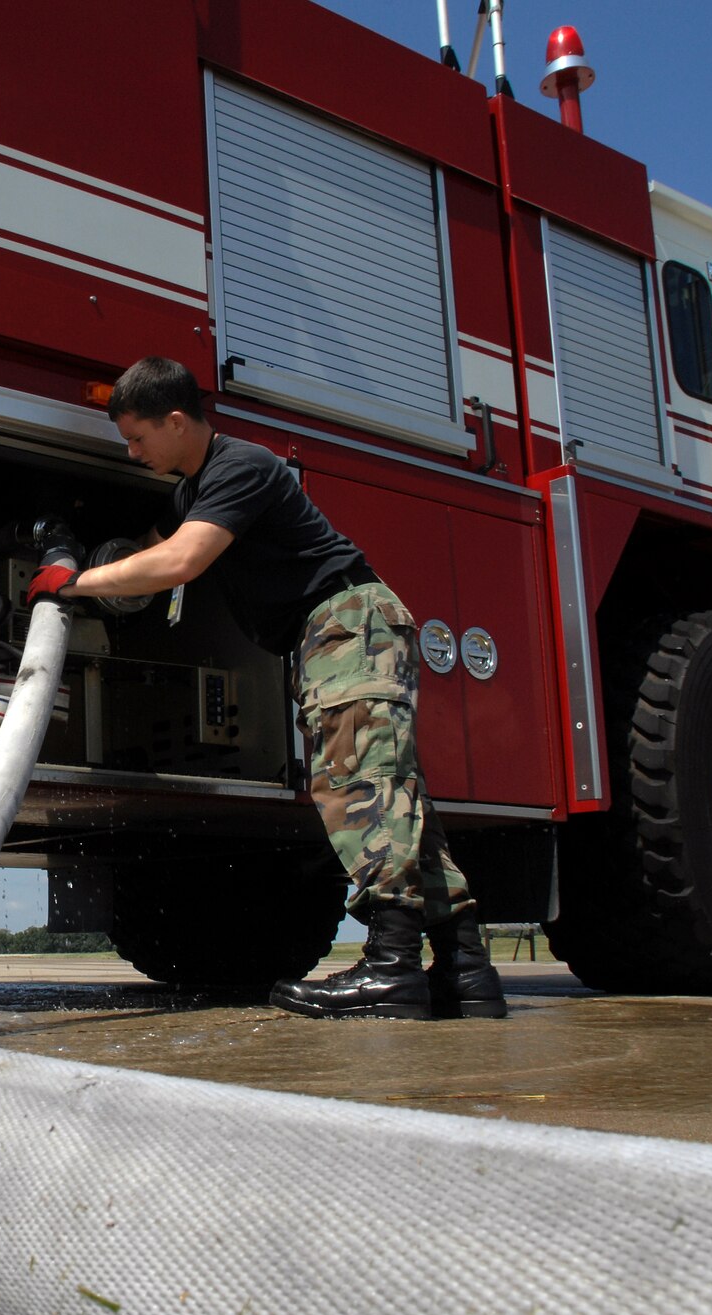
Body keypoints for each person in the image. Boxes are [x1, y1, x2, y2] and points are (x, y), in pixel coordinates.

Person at [25, 357, 505, 1020]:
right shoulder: (195, 493)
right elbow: (150, 552)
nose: (131, 452)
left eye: (137, 437)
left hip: (348, 626)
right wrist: (87, 555)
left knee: (358, 785)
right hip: (343, 631)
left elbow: (180, 561)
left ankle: (392, 968)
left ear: (175, 420)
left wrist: (69, 585)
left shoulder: (240, 466)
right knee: (399, 801)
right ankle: (466, 971)